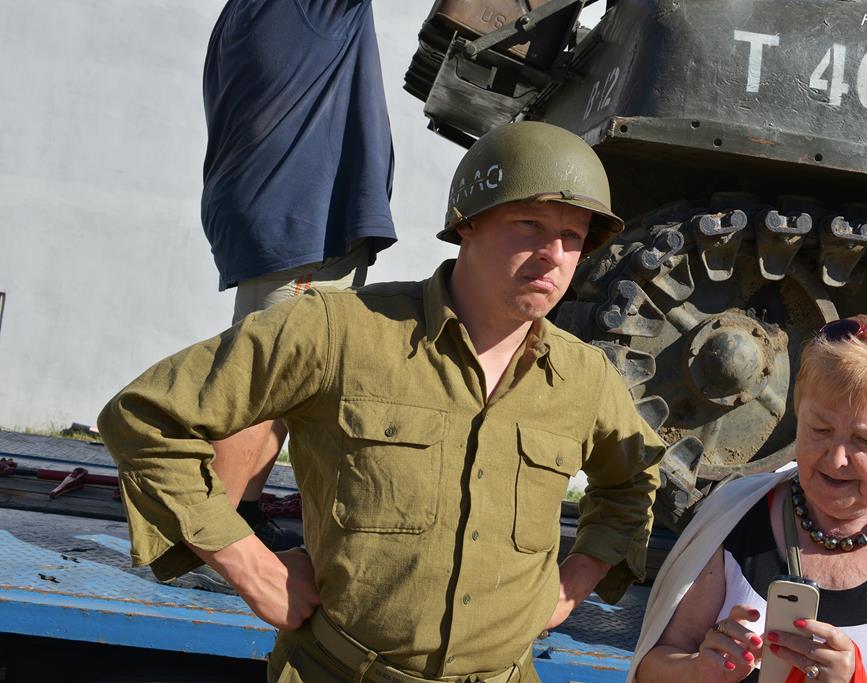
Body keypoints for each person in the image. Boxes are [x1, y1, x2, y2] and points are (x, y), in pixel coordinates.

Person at [98, 121, 666, 683]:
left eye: (573, 236)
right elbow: (145, 418)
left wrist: (574, 582)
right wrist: (249, 565)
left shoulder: (584, 377)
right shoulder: (339, 331)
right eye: (530, 224)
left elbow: (632, 481)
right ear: (467, 224)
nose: (554, 254)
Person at [630, 315, 867, 683]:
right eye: (820, 429)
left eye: (865, 441)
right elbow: (653, 666)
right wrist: (697, 672)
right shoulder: (734, 514)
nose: (837, 458)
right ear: (798, 412)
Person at [200, 0, 398, 548]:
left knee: (285, 381)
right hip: (299, 212)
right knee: (265, 385)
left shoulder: (245, 10)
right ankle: (209, 547)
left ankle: (240, 510)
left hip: (285, 209)